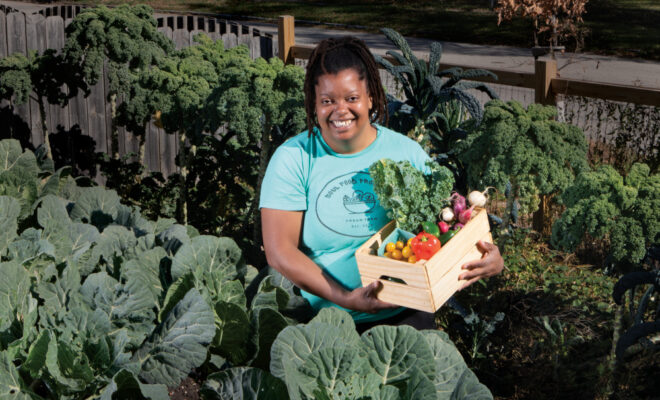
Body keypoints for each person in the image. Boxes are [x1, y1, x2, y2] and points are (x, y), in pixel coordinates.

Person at [259, 36, 503, 331]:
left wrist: (485, 256)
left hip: (405, 316)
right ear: (313, 103)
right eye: (327, 101)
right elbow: (279, 251)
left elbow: (443, 226)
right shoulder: (293, 158)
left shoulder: (406, 153)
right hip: (325, 322)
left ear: (371, 97)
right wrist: (346, 298)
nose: (340, 111)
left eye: (352, 98)